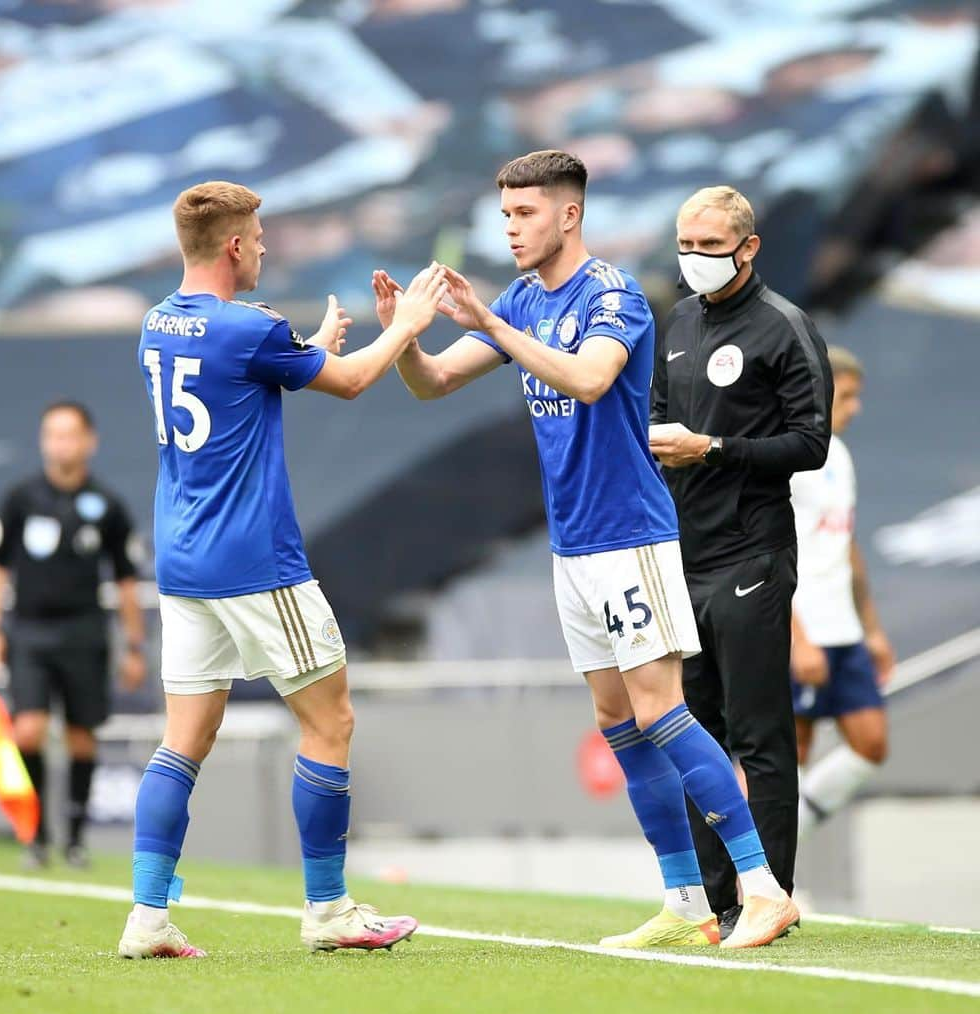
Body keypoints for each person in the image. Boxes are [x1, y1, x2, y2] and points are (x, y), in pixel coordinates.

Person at [375, 150, 799, 949]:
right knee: (618, 723)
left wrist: (494, 325)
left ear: (568, 214)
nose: (510, 229)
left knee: (662, 711)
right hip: (572, 543)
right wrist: (405, 333)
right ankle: (684, 899)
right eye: (504, 216)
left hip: (630, 535)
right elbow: (431, 382)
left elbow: (592, 380)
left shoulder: (612, 294)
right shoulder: (523, 297)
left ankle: (763, 888)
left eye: (524, 213)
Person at [118, 180, 448, 960]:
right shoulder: (250, 329)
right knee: (329, 721)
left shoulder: (156, 324)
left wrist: (312, 347)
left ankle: (147, 917)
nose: (265, 247)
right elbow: (353, 381)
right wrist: (405, 324)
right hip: (257, 562)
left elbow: (250, 385)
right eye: (259, 237)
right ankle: (330, 909)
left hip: (185, 561)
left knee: (184, 739)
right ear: (234, 246)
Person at [649, 185, 832, 939]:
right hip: (681, 557)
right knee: (696, 730)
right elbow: (655, 415)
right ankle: (718, 902)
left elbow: (810, 444)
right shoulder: (678, 321)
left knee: (759, 733)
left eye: (709, 246)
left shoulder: (785, 328)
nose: (694, 259)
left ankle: (772, 897)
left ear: (747, 247)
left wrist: (715, 449)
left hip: (752, 552)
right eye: (684, 245)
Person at [0, 401, 147, 870]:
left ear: (90, 441)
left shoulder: (108, 506)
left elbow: (126, 580)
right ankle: (36, 834)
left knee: (81, 737)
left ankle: (73, 838)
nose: (61, 444)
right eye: (53, 434)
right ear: (42, 440)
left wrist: (134, 645)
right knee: (27, 730)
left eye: (70, 434)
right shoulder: (19, 499)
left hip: (85, 630)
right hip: (28, 630)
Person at [790, 346, 893, 837]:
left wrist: (871, 629)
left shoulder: (842, 455)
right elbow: (766, 550)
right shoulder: (789, 454)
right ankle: (757, 881)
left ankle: (782, 853)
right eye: (847, 396)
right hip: (801, 625)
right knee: (790, 755)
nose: (855, 408)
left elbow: (845, 545)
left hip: (844, 629)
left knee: (870, 743)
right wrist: (796, 638)